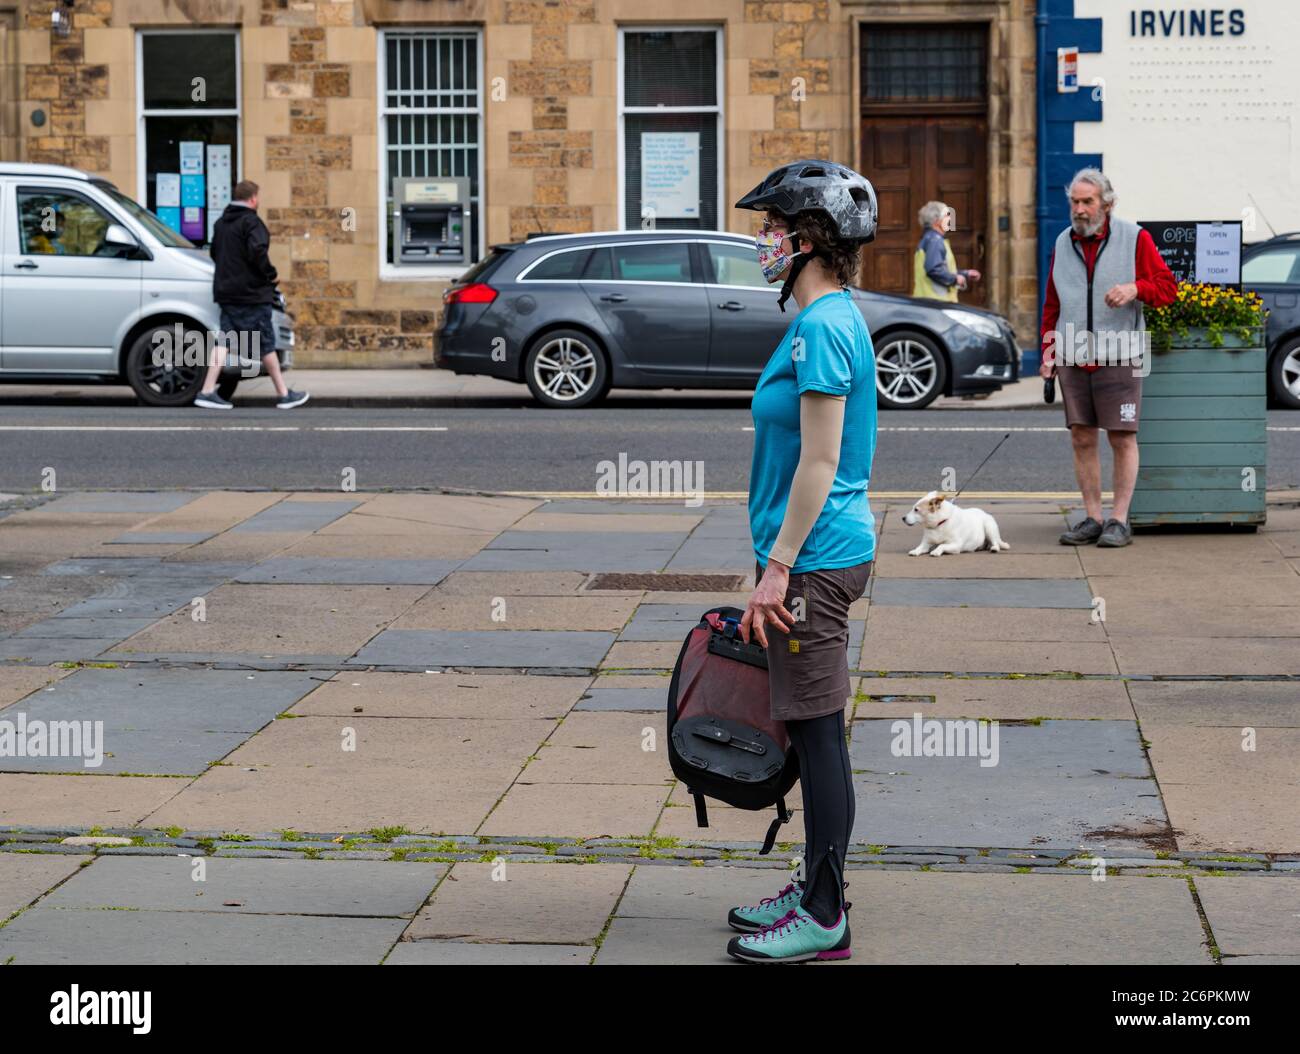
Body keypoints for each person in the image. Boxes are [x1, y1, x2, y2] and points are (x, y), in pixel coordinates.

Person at [726, 159, 879, 963]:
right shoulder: (827, 315)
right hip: (814, 554)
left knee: (819, 736)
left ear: (809, 239)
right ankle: (815, 886)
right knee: (809, 727)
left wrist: (778, 568)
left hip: (813, 563)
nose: (764, 241)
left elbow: (821, 462)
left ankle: (825, 915)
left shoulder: (823, 326)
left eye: (773, 229)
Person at [1040, 168, 1176, 547]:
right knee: (1082, 437)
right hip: (1071, 354)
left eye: (1088, 202)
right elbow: (1053, 303)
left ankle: (1119, 519)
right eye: (1075, 202)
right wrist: (1048, 352)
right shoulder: (1062, 241)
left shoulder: (1135, 239)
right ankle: (1092, 518)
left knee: (1121, 437)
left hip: (1121, 355)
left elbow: (1168, 288)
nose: (1080, 210)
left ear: (1107, 204)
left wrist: (1136, 287)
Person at [196, 180, 308, 410]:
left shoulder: (221, 224)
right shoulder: (251, 222)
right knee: (265, 341)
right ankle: (284, 394)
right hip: (251, 294)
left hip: (226, 292)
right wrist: (270, 275)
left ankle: (207, 391)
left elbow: (215, 253)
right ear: (253, 199)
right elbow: (257, 251)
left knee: (225, 339)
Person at [912, 200, 979, 300]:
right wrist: (955, 279)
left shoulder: (930, 238)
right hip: (936, 303)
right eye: (946, 215)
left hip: (929, 301)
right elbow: (934, 270)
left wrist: (965, 274)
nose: (950, 218)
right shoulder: (935, 240)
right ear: (936, 220)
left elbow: (940, 268)